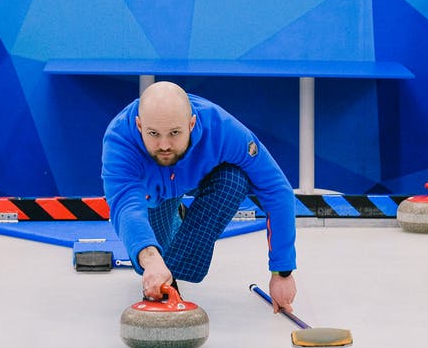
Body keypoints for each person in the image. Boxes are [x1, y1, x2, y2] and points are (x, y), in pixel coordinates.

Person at [101, 81, 297, 313]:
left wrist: (282, 272)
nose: (164, 145)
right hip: (154, 198)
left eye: (175, 133)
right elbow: (125, 205)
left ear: (192, 124)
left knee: (234, 179)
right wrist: (150, 258)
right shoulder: (119, 139)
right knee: (151, 258)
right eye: (153, 134)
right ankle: (176, 219)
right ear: (139, 125)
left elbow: (276, 188)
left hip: (200, 178)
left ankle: (171, 279)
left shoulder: (222, 129)